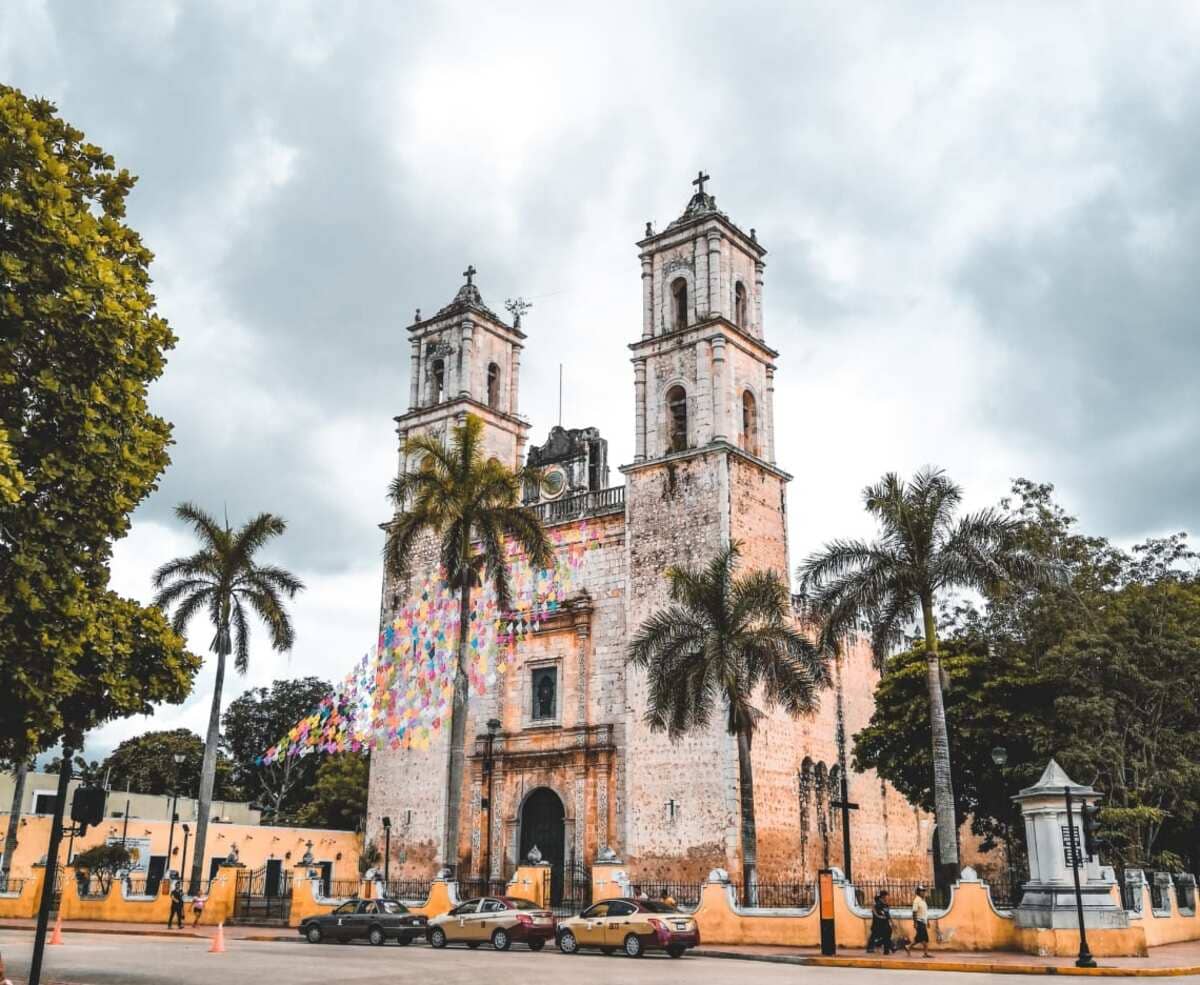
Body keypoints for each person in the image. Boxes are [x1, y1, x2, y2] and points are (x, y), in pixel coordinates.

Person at [912, 885, 932, 958]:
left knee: (919, 938)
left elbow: (925, 912)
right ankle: (925, 953)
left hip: (923, 922)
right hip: (919, 921)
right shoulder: (916, 900)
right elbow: (914, 912)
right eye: (922, 891)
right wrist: (915, 923)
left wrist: (928, 921)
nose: (923, 892)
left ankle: (908, 947)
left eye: (924, 891)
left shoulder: (923, 900)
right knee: (924, 939)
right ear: (918, 892)